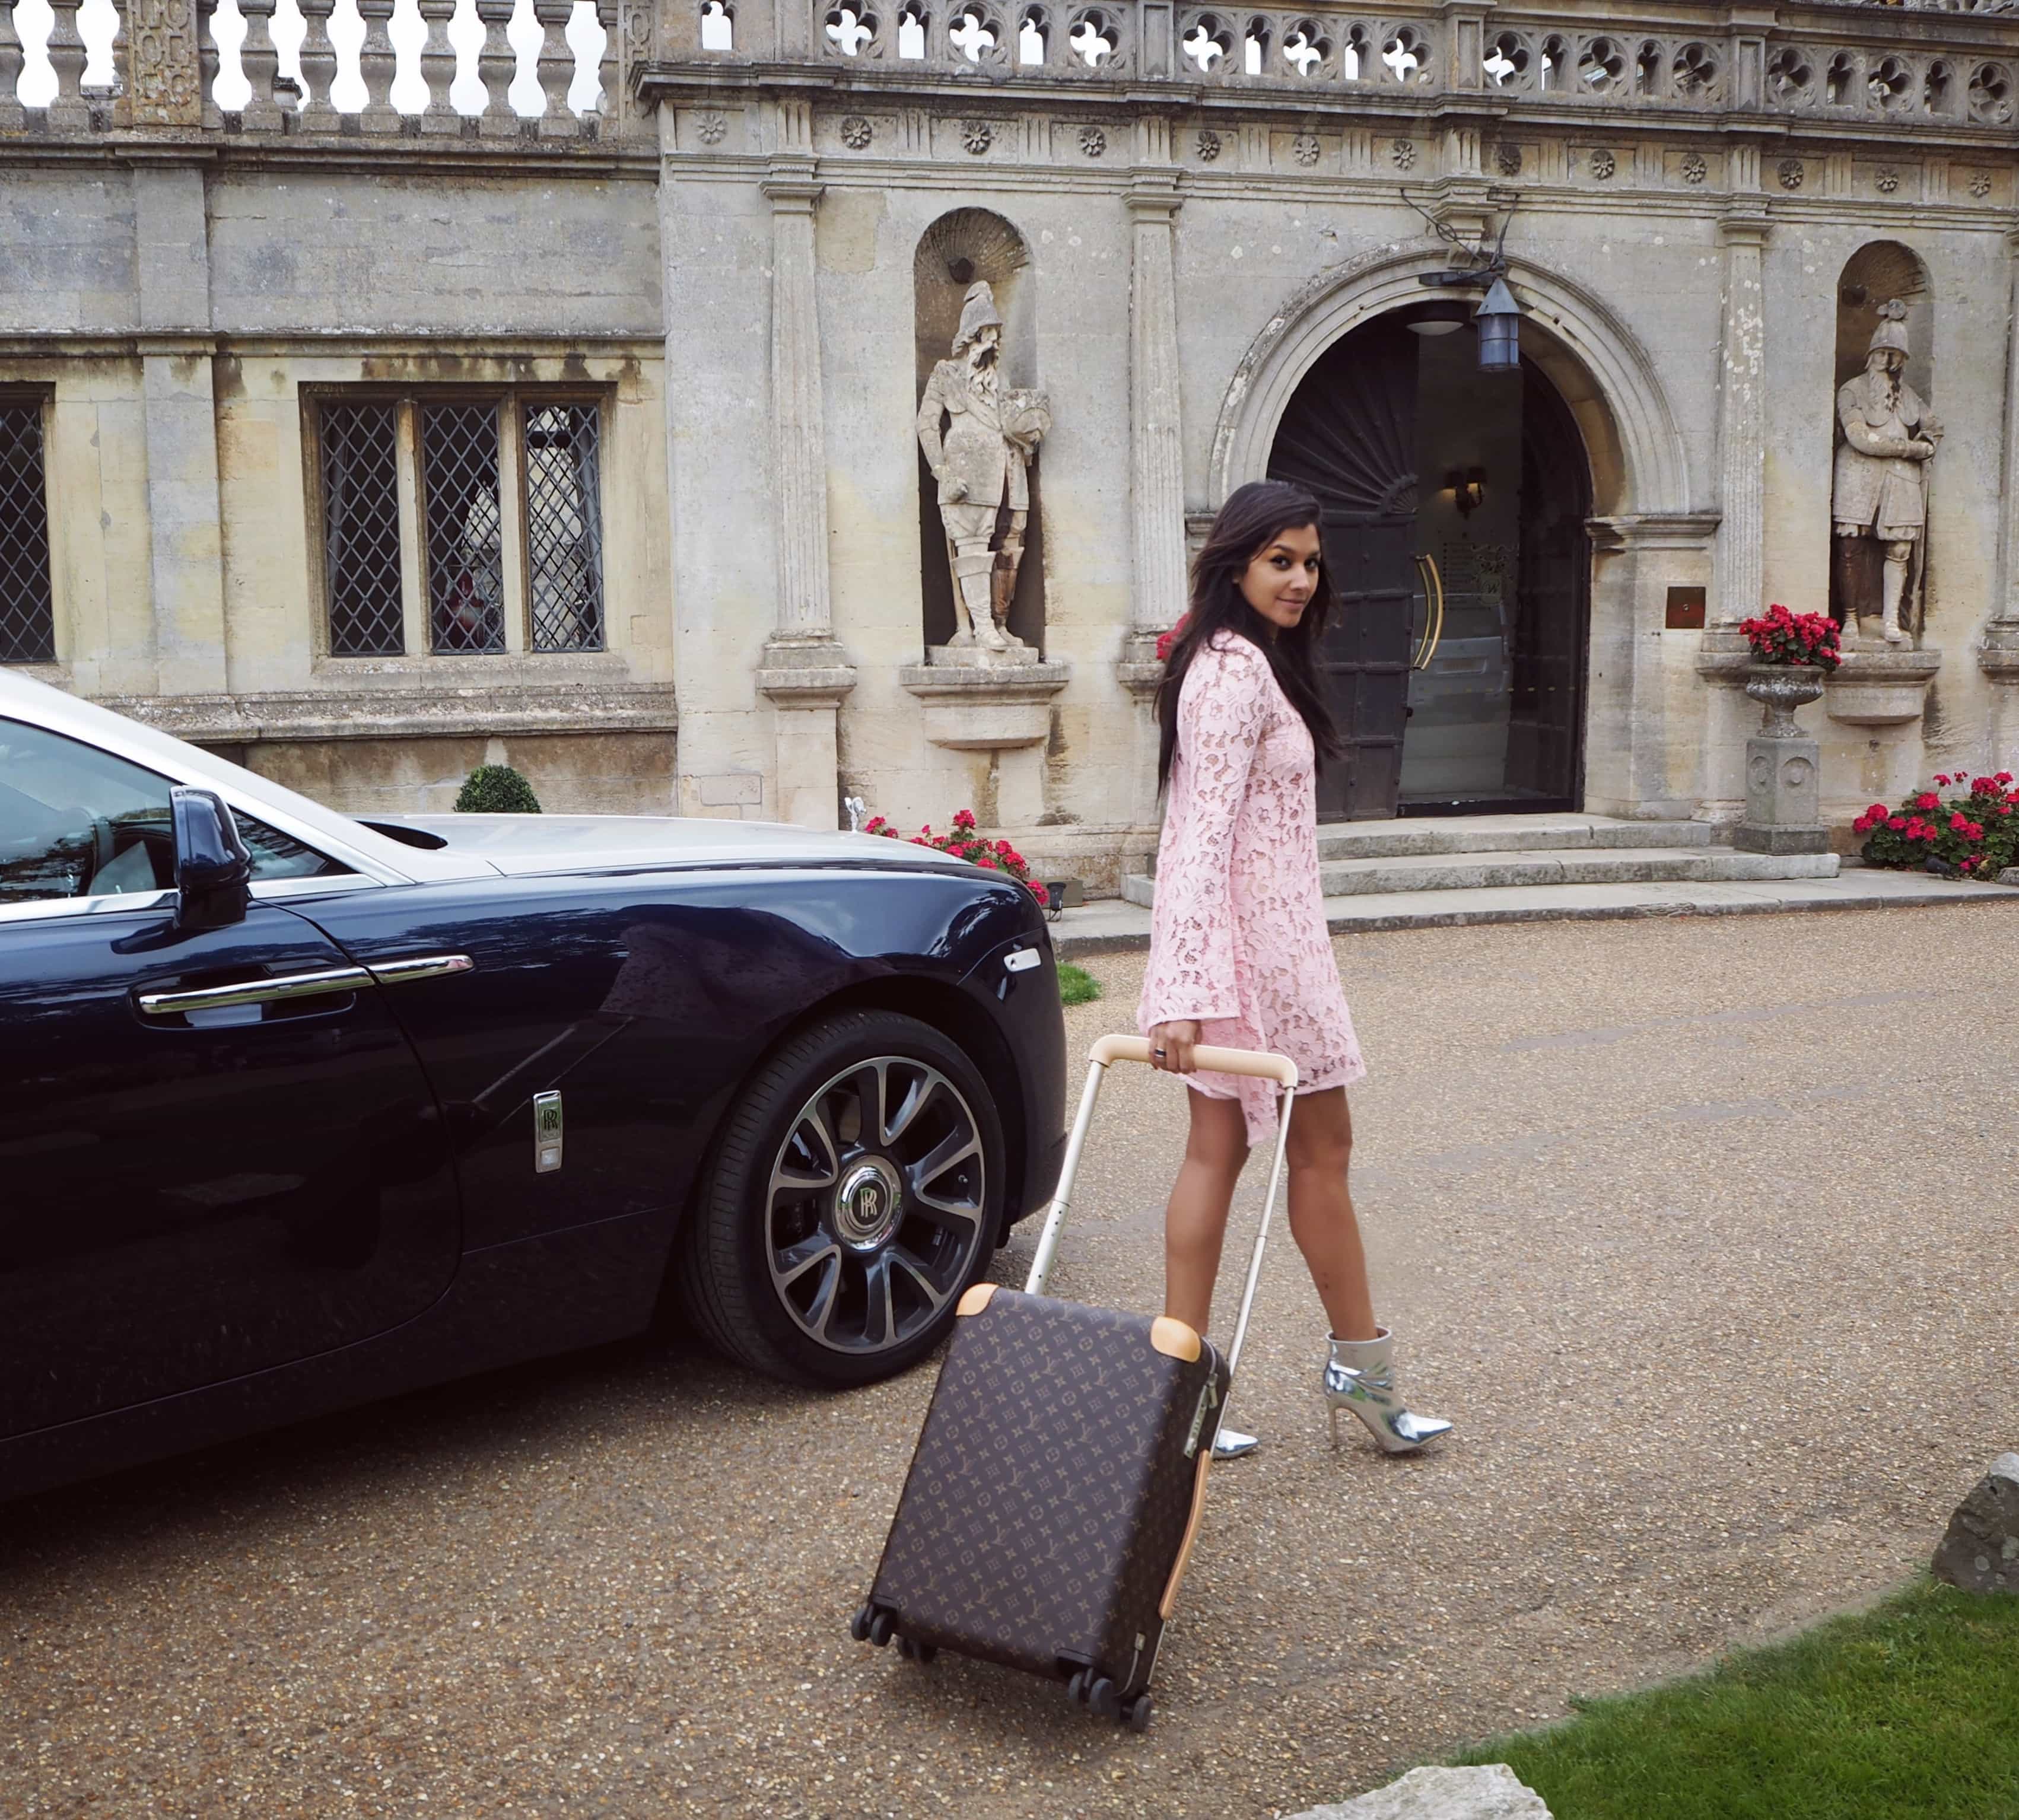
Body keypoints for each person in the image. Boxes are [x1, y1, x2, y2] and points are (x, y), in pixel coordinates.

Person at [1139, 480, 1452, 1462]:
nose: (1302, 580)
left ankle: (1182, 1400)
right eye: (1281, 561)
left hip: (1261, 950)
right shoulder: (1231, 672)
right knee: (1308, 1154)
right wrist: (1183, 989)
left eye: (1311, 562)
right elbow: (1196, 838)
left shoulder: (1235, 662)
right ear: (1235, 562)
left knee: (1226, 1153)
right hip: (1258, 960)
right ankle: (1358, 1379)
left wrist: (1189, 982)